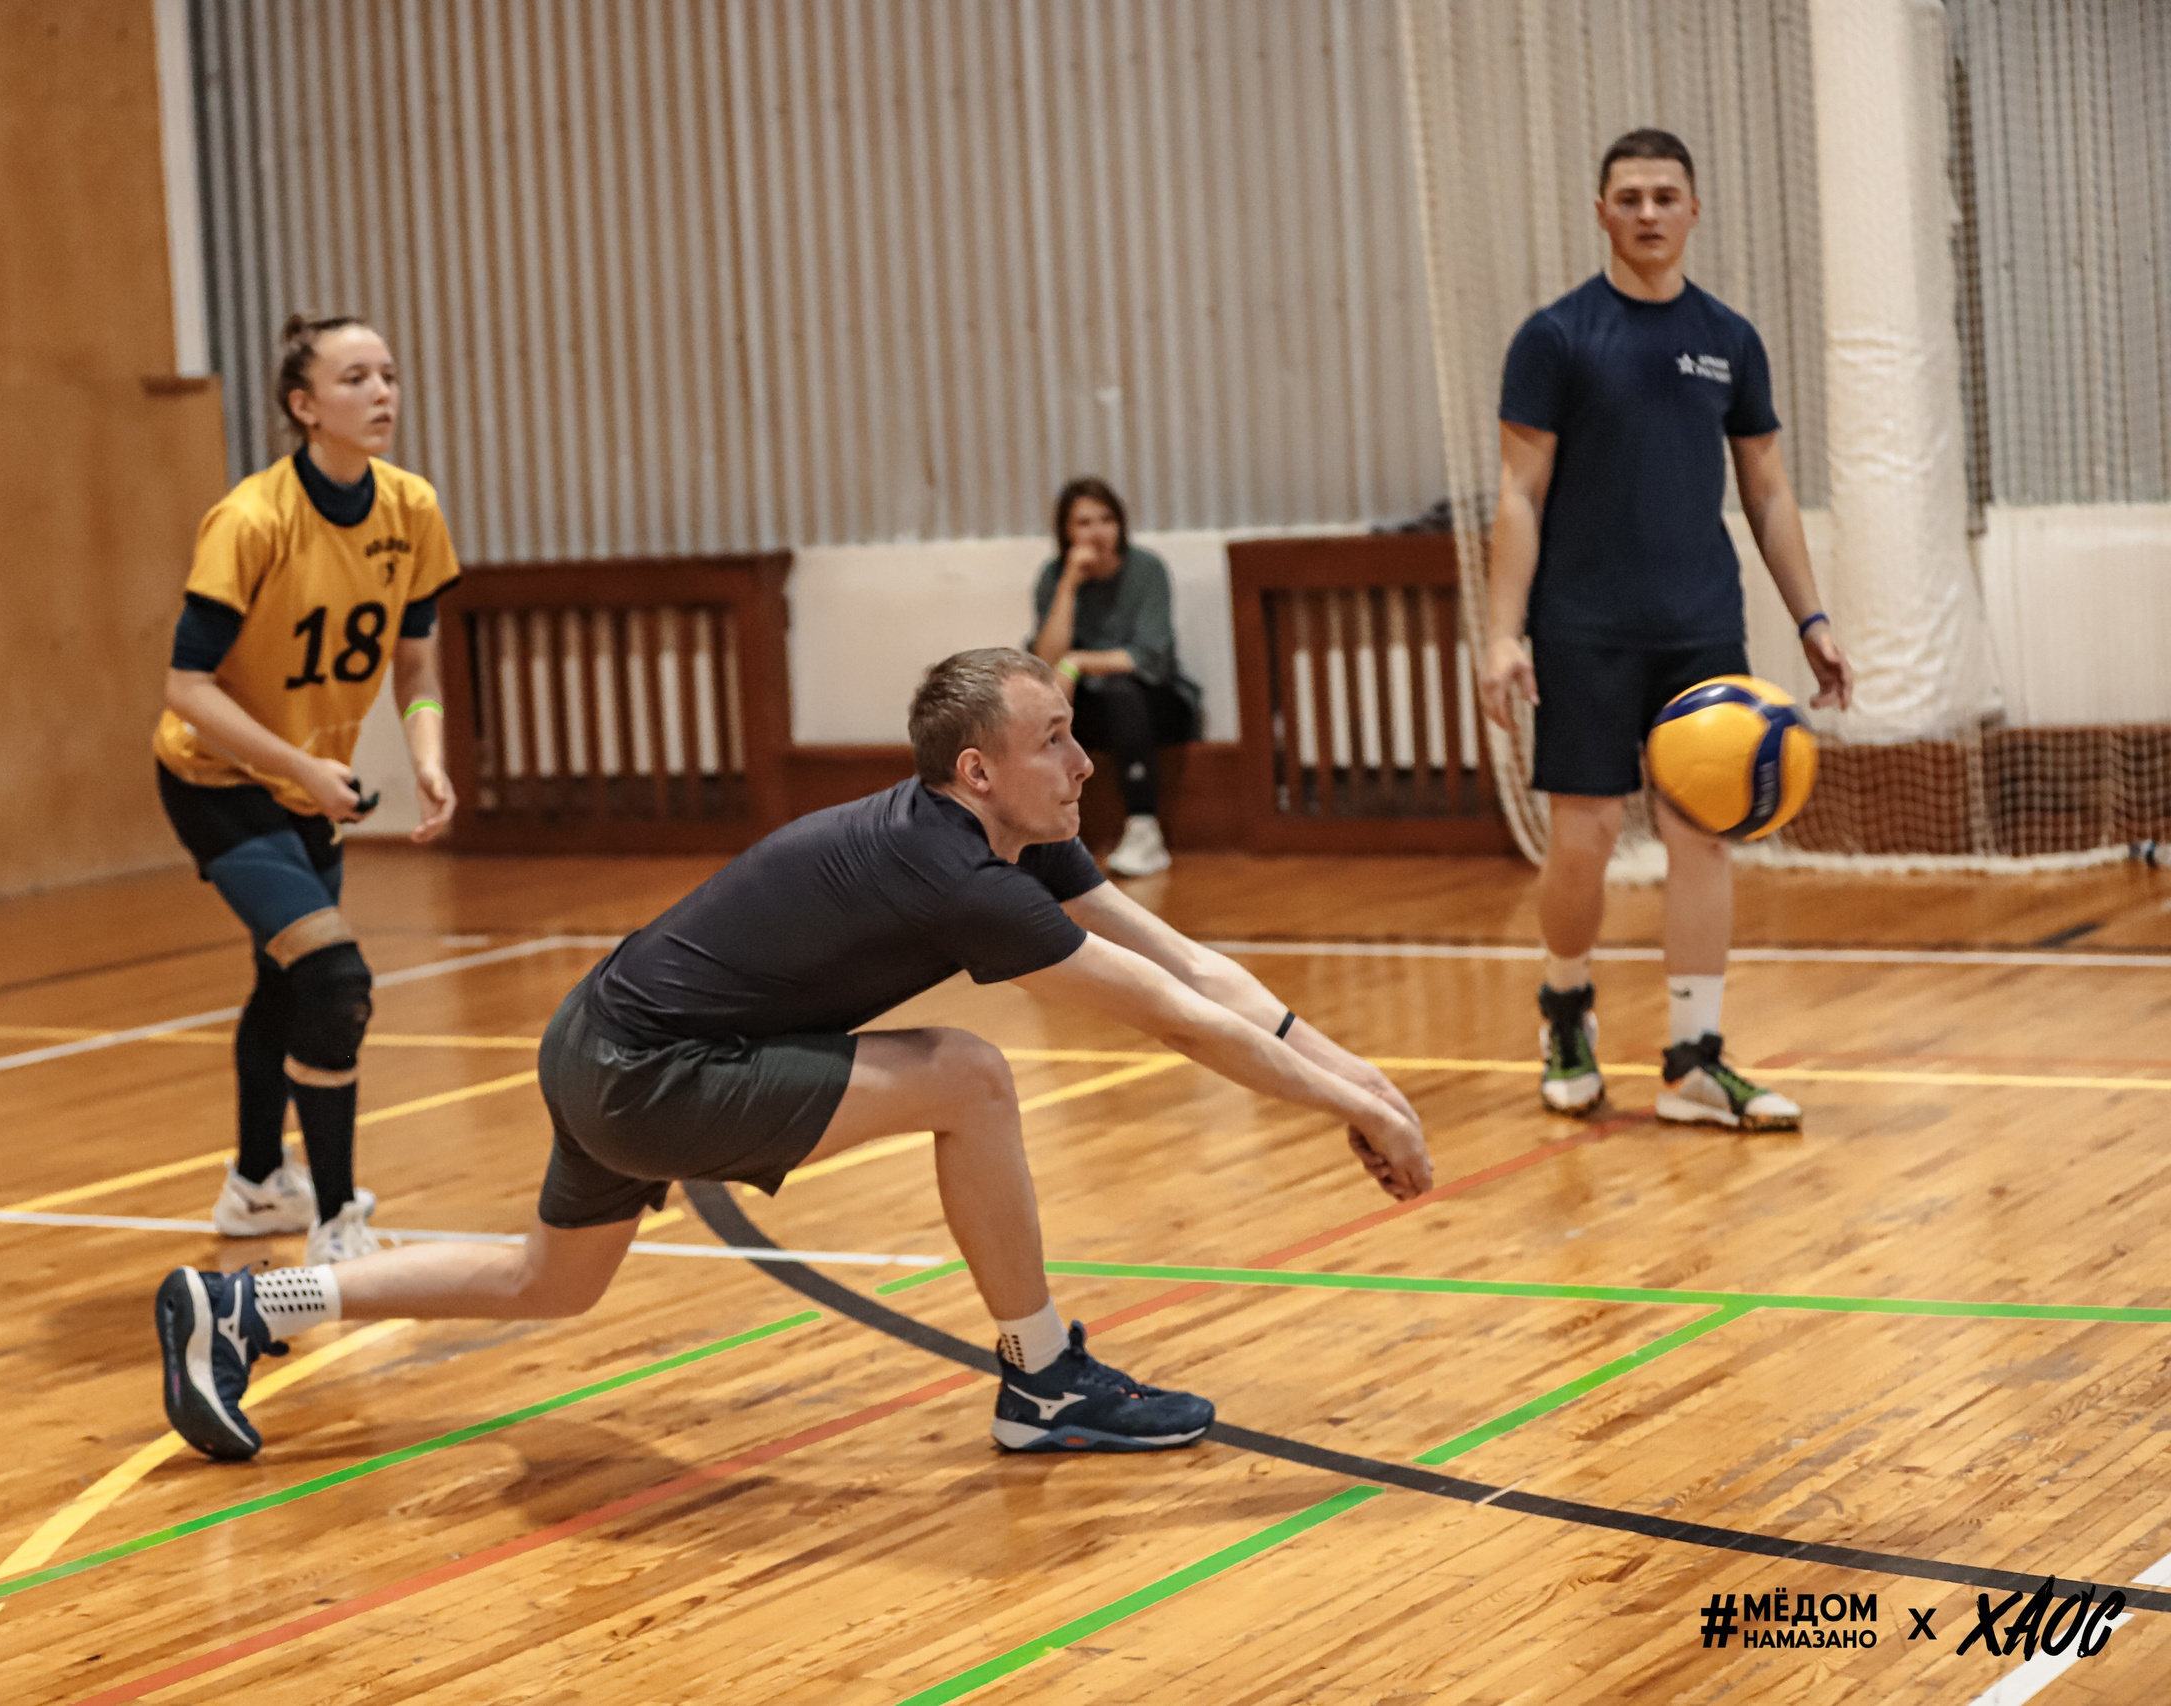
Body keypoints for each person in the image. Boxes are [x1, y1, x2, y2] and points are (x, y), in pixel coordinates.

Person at [153, 647, 1433, 1464]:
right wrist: (1349, 1110)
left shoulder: (1008, 837)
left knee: (549, 1281)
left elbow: (1196, 967)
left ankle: (244, 1304)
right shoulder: (962, 875)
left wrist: (1361, 1084)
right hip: (644, 1070)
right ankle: (1043, 1381)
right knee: (969, 1074)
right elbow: (1174, 1019)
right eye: (1057, 738)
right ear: (979, 767)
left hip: (597, 1035)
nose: (1086, 756)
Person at [1478, 129, 1853, 1131]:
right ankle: (1565, 1007)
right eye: (1629, 197)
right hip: (1582, 626)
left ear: (1693, 210)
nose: (1647, 213)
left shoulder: (1729, 338)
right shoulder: (1554, 337)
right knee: (1585, 839)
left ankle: (1693, 1059)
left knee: (1703, 838)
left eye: (1665, 196)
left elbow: (1767, 490)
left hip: (1699, 628)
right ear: (1600, 211)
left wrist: (1809, 617)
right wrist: (1501, 632)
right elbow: (1517, 492)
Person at [153, 315, 461, 1265]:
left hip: (308, 789)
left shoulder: (409, 508)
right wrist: (298, 767)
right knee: (334, 981)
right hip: (218, 780)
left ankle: (254, 1186)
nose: (382, 394)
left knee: (285, 985)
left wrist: (426, 757)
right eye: (355, 378)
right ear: (303, 406)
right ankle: (336, 1219)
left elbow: (416, 667)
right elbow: (185, 686)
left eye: (390, 375)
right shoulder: (253, 520)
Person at [1028, 477, 1202, 879]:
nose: (1098, 531)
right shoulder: (1054, 576)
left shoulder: (1146, 569)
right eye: (1084, 522)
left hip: (1155, 699)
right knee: (1033, 706)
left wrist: (1077, 662)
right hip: (1088, 704)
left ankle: (1144, 829)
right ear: (1066, 532)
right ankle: (1045, 829)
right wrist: (1070, 584)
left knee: (1123, 694)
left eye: (1107, 519)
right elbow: (1045, 659)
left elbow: (1149, 656)